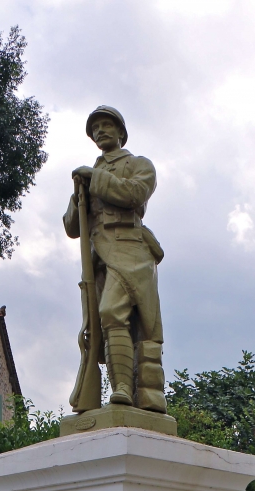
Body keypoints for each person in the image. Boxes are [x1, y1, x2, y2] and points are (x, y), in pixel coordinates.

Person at [63, 106, 167, 413]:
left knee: (111, 313)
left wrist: (94, 178)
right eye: (95, 128)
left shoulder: (139, 165)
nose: (100, 131)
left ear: (121, 132)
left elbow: (133, 194)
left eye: (107, 125)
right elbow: (72, 227)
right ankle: (120, 390)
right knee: (100, 328)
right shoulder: (89, 177)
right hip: (99, 260)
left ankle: (124, 388)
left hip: (130, 251)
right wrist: (77, 194)